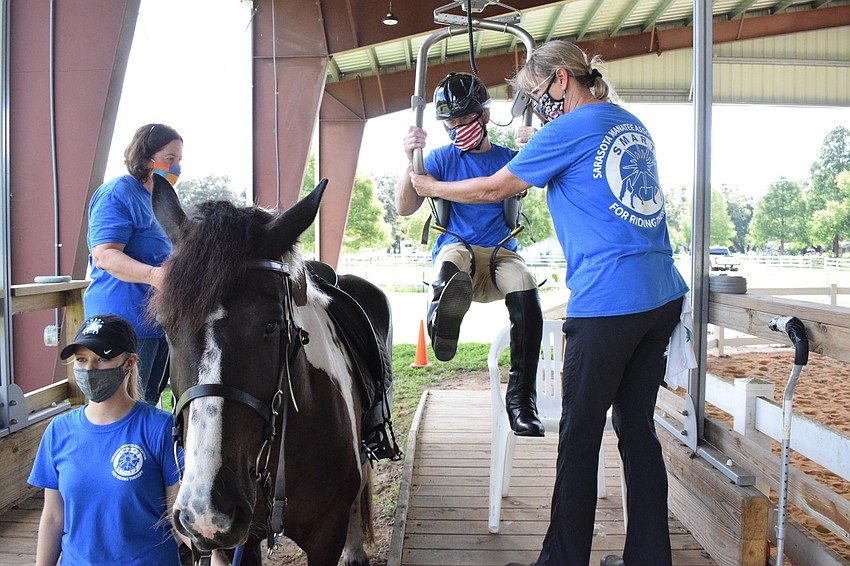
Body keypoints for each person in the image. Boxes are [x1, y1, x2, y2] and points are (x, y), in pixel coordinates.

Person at [410, 40, 689, 566]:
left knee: (579, 438)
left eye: (538, 93)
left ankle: (560, 562)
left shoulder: (567, 129)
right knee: (636, 430)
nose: (538, 106)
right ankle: (649, 559)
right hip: (661, 295)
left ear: (562, 79)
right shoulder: (629, 123)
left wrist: (427, 182)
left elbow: (495, 189)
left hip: (609, 301)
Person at [396, 72, 544, 437]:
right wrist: (410, 160)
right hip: (458, 247)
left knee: (524, 281)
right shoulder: (442, 158)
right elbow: (404, 206)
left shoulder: (509, 159)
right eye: (452, 122)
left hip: (499, 253)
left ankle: (522, 400)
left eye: (465, 119)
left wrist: (538, 147)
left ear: (485, 116)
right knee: (452, 259)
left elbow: (502, 190)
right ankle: (442, 322)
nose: (459, 127)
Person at [29, 314, 183, 565]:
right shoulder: (59, 430)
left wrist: (214, 554)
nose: (89, 369)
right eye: (81, 359)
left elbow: (177, 514)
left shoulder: (161, 427)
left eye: (102, 359)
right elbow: (54, 517)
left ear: (129, 362)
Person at [84, 124, 183, 405]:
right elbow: (105, 256)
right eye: (170, 158)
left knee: (147, 402)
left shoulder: (158, 200)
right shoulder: (118, 193)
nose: (176, 167)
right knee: (122, 406)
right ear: (144, 159)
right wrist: (154, 275)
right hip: (124, 322)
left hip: (156, 322)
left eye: (179, 160)